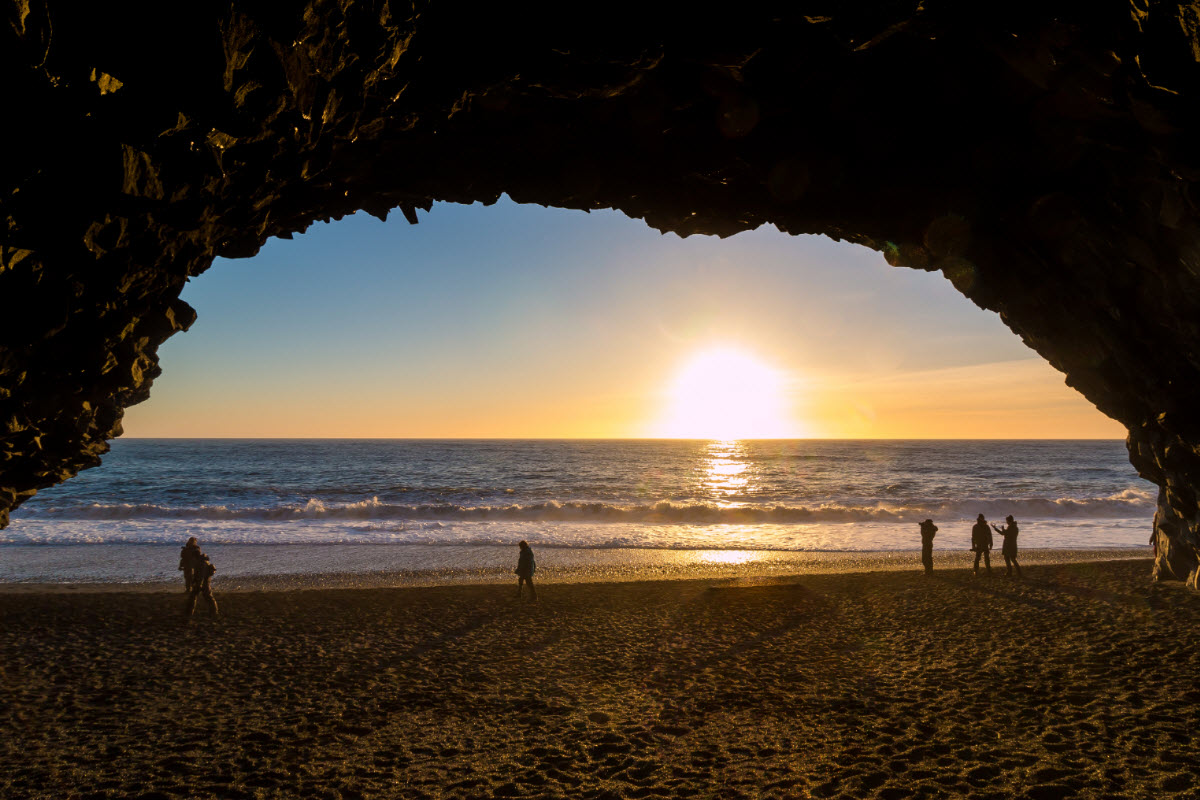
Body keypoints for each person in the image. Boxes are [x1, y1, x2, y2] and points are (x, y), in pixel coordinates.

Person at [181, 540, 219, 618]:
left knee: (196, 597)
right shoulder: (202, 561)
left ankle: (189, 613)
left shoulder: (200, 563)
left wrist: (198, 584)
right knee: (207, 597)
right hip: (204, 582)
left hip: (201, 582)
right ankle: (214, 612)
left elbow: (200, 575)